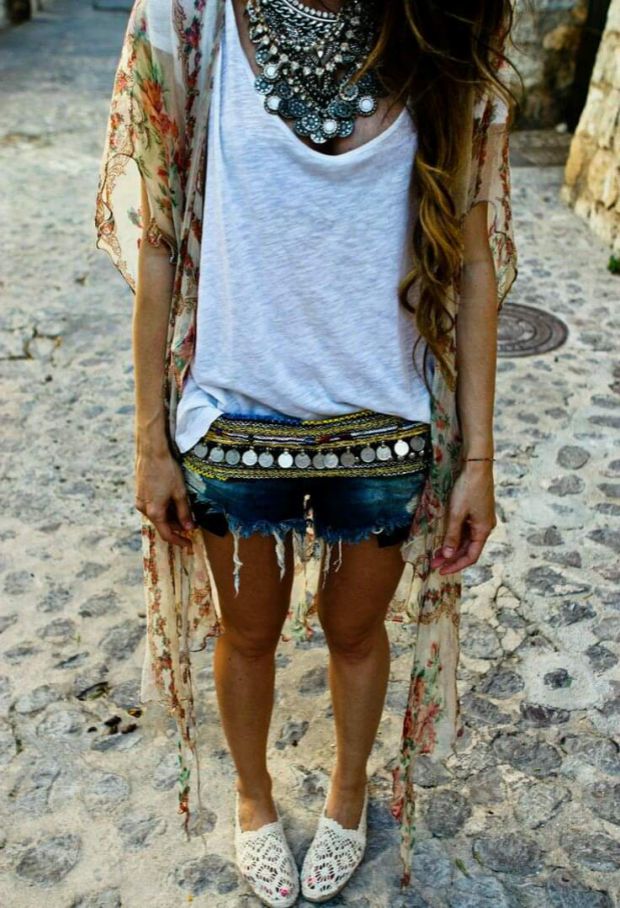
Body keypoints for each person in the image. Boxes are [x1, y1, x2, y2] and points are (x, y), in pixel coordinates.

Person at [94, 0, 518, 903]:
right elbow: (158, 238)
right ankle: (253, 798)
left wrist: (478, 461)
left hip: (385, 426)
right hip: (232, 418)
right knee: (246, 633)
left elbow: (474, 259)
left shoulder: (441, 26)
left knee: (356, 631)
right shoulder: (186, 18)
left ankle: (348, 795)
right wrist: (150, 439)